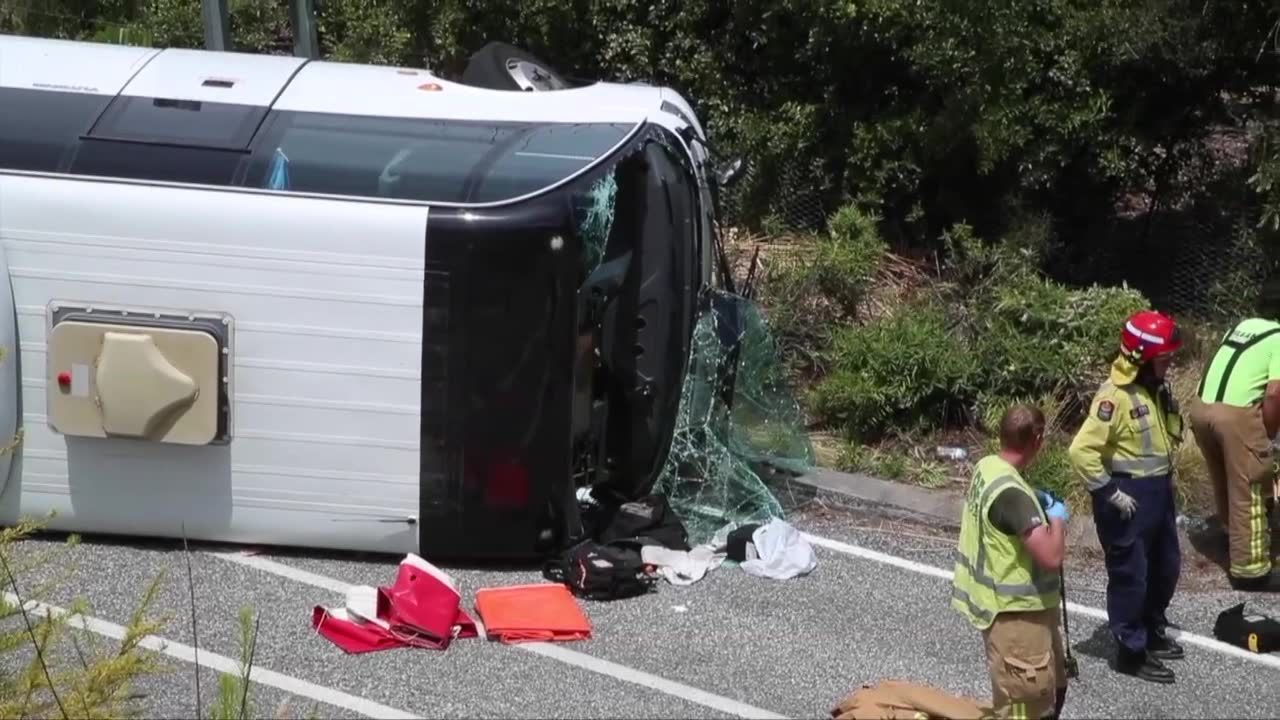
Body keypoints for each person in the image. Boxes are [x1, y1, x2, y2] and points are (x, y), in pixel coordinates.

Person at [1067, 309, 1184, 684]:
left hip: (1158, 493)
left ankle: (1150, 629)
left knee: (1165, 567)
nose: (1169, 365)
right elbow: (1080, 451)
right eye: (1164, 359)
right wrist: (1108, 492)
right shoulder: (1113, 398)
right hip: (1127, 497)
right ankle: (1130, 652)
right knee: (1131, 575)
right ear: (1142, 359)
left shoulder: (1154, 390)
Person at [953, 404, 1069, 720]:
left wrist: (1033, 497)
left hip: (1012, 610)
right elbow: (1051, 556)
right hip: (1016, 617)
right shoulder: (1014, 498)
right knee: (1023, 710)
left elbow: (1006, 503)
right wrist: (1057, 520)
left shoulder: (988, 466)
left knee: (1053, 685)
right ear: (1037, 440)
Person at [1188, 317, 1280, 592]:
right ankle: (1250, 571)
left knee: (1225, 480)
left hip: (1201, 407)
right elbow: (1275, 393)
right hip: (1235, 414)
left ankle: (1231, 538)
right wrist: (1269, 431)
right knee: (1249, 486)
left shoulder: (1248, 325)